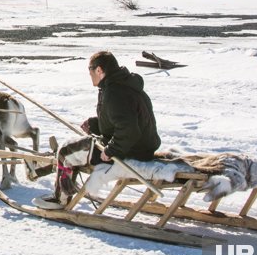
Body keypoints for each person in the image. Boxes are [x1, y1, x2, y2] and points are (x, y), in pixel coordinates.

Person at [31, 50, 161, 209]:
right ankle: (41, 172)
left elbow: (129, 130)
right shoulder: (125, 84)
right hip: (142, 148)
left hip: (129, 153)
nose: (90, 75)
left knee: (66, 151)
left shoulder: (114, 92)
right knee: (76, 147)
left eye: (90, 71)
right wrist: (94, 125)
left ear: (99, 70)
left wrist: (111, 150)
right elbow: (122, 120)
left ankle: (60, 200)